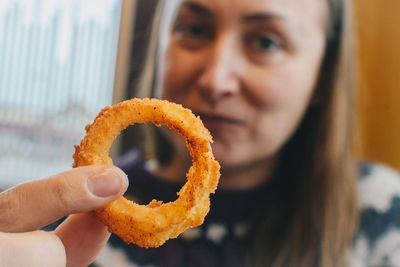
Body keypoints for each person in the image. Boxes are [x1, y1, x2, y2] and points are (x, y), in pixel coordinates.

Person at [2, 0, 400, 266]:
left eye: (265, 41)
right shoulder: (68, 236)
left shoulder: (382, 212)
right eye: (193, 29)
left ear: (322, 77)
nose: (216, 79)